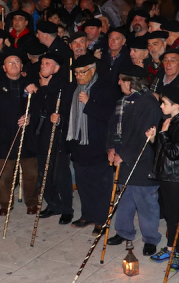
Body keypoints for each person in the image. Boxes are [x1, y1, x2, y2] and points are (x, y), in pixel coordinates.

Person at [106, 65, 163, 256]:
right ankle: (124, 231)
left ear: (130, 82)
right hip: (123, 160)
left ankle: (150, 239)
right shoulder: (123, 101)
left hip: (142, 161)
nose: (118, 83)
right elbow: (113, 126)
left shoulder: (148, 103)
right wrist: (112, 148)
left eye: (121, 79)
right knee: (124, 199)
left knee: (146, 202)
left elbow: (144, 136)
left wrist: (125, 155)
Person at [67, 54, 118, 234]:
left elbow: (109, 115)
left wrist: (89, 103)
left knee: (101, 184)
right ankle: (87, 214)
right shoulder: (74, 88)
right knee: (83, 182)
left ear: (93, 69)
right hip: (78, 143)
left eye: (82, 72)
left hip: (97, 143)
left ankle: (101, 219)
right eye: (76, 73)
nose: (79, 76)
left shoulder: (105, 88)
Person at [146, 86, 179, 272]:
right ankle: (170, 247)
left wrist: (163, 134)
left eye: (164, 103)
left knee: (176, 217)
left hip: (174, 177)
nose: (161, 106)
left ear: (176, 105)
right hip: (164, 175)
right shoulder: (167, 121)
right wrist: (153, 139)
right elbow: (161, 150)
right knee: (168, 214)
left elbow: (174, 153)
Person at [0, 50, 39, 215]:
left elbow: (40, 108)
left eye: (17, 62)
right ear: (4, 67)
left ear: (22, 66)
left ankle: (32, 202)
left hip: (27, 136)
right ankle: (5, 203)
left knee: (31, 174)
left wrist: (30, 116)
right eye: (10, 62)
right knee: (5, 175)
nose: (14, 65)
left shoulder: (30, 84)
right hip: (4, 136)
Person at [28, 53, 74, 224]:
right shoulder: (38, 83)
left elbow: (58, 109)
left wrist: (45, 89)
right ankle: (53, 203)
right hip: (40, 135)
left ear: (56, 68)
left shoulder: (64, 87)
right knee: (43, 173)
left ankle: (67, 209)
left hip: (57, 136)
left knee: (60, 173)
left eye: (47, 63)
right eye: (42, 63)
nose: (43, 66)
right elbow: (36, 107)